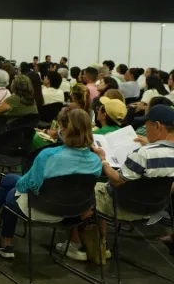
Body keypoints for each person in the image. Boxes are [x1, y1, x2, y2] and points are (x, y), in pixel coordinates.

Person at [0, 109, 102, 259]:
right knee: (10, 179)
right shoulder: (96, 161)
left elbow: (25, 186)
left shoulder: (49, 155)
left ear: (63, 129)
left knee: (11, 193)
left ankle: (5, 241)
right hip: (72, 212)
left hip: (43, 208)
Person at [59, 104, 174, 263]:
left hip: (123, 206)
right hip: (153, 210)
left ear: (157, 126)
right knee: (101, 191)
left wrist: (103, 159)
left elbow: (117, 180)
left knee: (79, 187)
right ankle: (102, 244)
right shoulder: (155, 153)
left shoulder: (144, 154)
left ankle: (74, 243)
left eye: (146, 126)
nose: (145, 130)